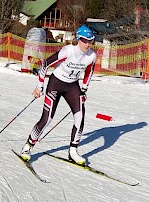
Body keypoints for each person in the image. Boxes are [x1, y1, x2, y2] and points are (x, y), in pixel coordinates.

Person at [20, 24, 97, 165]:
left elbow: (89, 73)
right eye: (85, 40)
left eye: (90, 40)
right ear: (78, 39)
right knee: (47, 117)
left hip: (72, 85)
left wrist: (84, 90)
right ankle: (28, 146)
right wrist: (39, 87)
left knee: (80, 116)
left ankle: (73, 151)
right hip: (56, 83)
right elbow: (45, 65)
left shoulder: (91, 56)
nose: (87, 44)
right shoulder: (68, 51)